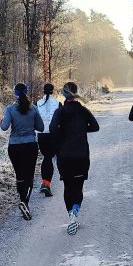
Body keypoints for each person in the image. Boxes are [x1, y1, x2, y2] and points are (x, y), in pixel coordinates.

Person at [48, 81, 99, 236]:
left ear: (63, 94)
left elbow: (51, 129)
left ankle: (71, 213)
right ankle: (75, 212)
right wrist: (82, 129)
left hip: (64, 156)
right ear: (76, 92)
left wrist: (62, 132)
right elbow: (96, 126)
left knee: (68, 187)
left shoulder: (60, 111)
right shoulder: (83, 110)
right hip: (82, 155)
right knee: (78, 186)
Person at [1, 83, 43, 221]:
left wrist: (2, 121)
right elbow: (41, 128)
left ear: (15, 93)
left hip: (15, 146)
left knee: (20, 175)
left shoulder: (10, 109)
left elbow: (4, 127)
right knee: (29, 175)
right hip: (30, 145)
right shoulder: (34, 109)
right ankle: (25, 202)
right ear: (27, 92)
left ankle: (22, 200)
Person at [35, 83, 61, 197]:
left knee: (46, 158)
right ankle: (48, 184)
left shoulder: (37, 103)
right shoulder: (57, 103)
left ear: (43, 90)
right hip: (54, 134)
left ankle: (45, 183)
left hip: (41, 134)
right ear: (53, 91)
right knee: (53, 157)